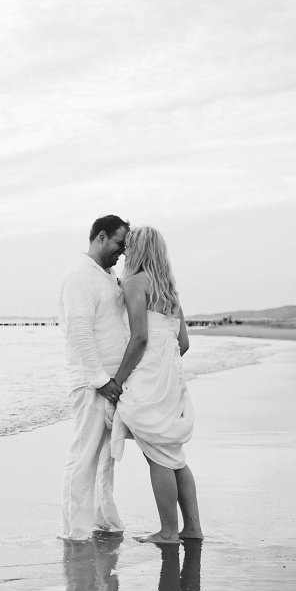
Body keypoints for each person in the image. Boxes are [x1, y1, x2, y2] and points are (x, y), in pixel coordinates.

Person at [109, 226, 203, 545]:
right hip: (171, 380)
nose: (124, 251)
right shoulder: (169, 291)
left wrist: (118, 380)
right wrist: (166, 366)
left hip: (148, 378)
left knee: (159, 457)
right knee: (174, 455)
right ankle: (192, 528)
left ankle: (167, 532)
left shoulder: (135, 282)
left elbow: (139, 338)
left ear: (138, 250)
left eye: (129, 246)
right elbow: (184, 343)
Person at [58, 214, 130, 541]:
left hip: (111, 383)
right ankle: (76, 532)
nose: (122, 252)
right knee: (84, 457)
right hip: (92, 384)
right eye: (118, 244)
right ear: (101, 237)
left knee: (105, 458)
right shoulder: (80, 275)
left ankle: (104, 520)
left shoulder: (107, 274)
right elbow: (79, 330)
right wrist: (101, 379)